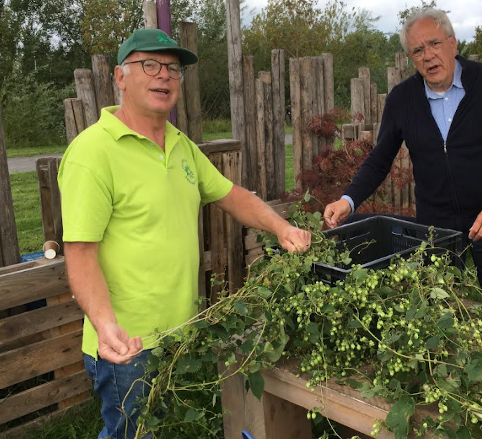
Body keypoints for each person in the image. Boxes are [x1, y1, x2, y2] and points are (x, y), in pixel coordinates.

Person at [58, 28, 311, 439]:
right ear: (120, 77)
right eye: (150, 65)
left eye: (174, 69)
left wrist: (281, 227)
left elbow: (232, 196)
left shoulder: (180, 144)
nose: (164, 76)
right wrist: (105, 324)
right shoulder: (93, 153)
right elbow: (81, 254)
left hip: (185, 335)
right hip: (129, 346)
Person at [323, 9, 482, 309]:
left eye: (435, 43)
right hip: (435, 227)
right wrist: (347, 200)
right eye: (418, 50)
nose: (428, 55)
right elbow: (379, 159)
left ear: (453, 43)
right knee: (438, 310)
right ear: (411, 59)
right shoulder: (402, 99)